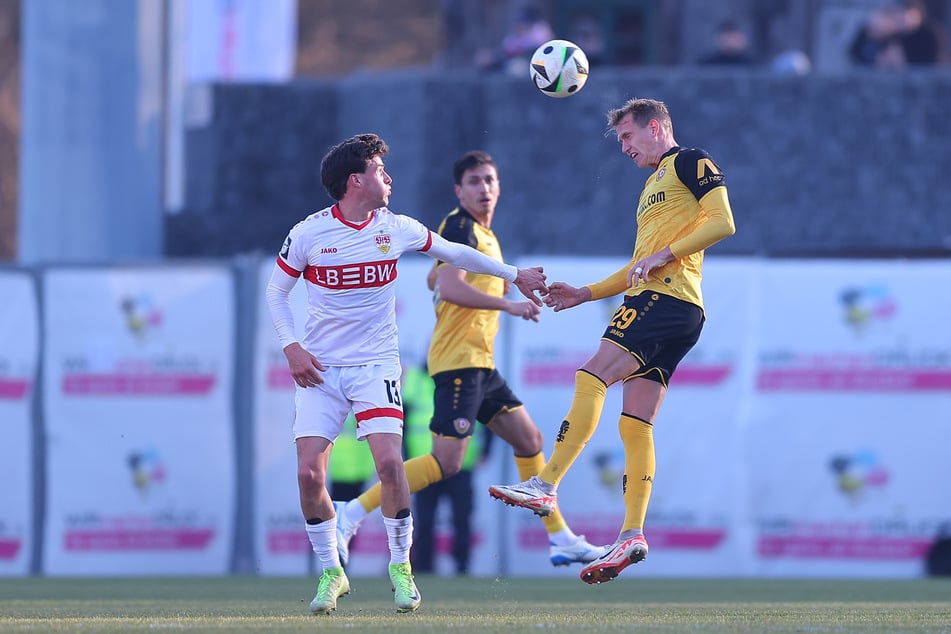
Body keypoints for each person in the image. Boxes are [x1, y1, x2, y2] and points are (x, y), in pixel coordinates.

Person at [265, 133, 547, 613]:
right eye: (379, 170)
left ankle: (401, 568)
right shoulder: (308, 234)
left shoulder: (396, 227)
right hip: (322, 369)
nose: (388, 178)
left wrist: (513, 272)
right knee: (309, 475)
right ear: (356, 181)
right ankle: (332, 574)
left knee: (392, 466)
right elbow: (277, 293)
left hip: (375, 365)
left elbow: (456, 254)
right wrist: (292, 348)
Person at [488, 98, 736, 585]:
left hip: (665, 300)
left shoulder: (689, 161)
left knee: (592, 373)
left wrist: (664, 253)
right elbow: (639, 265)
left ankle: (546, 483)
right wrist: (585, 293)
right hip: (678, 308)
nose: (623, 147)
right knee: (636, 425)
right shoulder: (651, 186)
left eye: (627, 137)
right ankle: (633, 533)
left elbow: (723, 221)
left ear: (656, 126)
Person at [335, 150, 605, 571]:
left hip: (480, 363)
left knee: (529, 441)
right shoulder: (460, 224)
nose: (484, 188)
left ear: (499, 187)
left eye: (490, 180)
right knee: (447, 463)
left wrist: (441, 275)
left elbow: (439, 279)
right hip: (458, 362)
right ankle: (350, 515)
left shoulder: (484, 235)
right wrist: (509, 304)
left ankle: (561, 538)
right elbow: (452, 289)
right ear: (459, 191)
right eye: (475, 181)